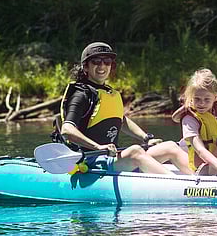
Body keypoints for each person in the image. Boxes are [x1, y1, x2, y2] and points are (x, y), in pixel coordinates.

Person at [58, 42, 193, 175]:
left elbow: (121, 121)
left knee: (170, 147)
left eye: (107, 61)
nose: (102, 66)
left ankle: (202, 184)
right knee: (135, 151)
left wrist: (146, 138)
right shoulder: (80, 95)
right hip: (89, 160)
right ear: (86, 67)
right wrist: (98, 147)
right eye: (96, 61)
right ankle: (183, 189)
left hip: (110, 157)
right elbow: (67, 129)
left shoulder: (109, 93)